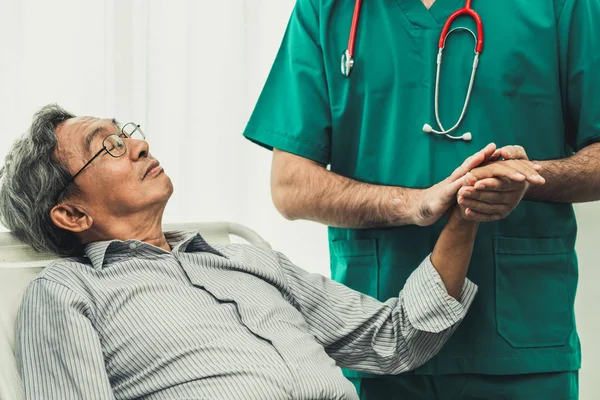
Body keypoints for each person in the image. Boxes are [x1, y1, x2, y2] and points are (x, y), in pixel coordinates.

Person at [0, 105, 522, 400]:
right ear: (71, 215)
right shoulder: (68, 293)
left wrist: (464, 214)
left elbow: (395, 339)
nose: (137, 145)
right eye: (106, 146)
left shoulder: (243, 259)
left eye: (127, 133)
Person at [243, 0, 600, 398]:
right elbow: (290, 187)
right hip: (378, 336)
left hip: (518, 339)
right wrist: (413, 204)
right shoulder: (327, 9)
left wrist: (527, 177)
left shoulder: (559, 6)